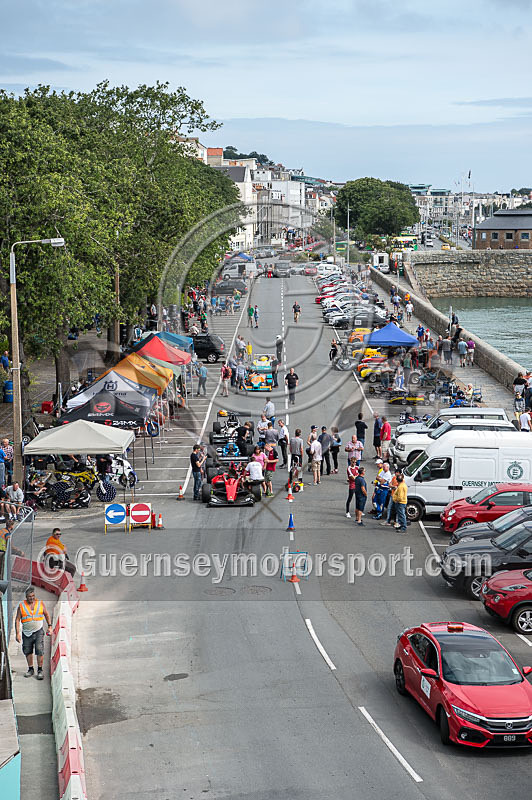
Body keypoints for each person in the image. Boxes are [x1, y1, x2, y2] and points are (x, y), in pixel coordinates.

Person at [15, 587, 52, 680]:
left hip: (38, 631)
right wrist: (17, 633)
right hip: (26, 633)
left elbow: (46, 614)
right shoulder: (22, 606)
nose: (31, 598)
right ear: (26, 597)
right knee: (28, 650)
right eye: (29, 596)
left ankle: (40, 670)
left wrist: (50, 626)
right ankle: (30, 669)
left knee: (39, 649)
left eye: (33, 596)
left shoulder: (40, 604)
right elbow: (17, 620)